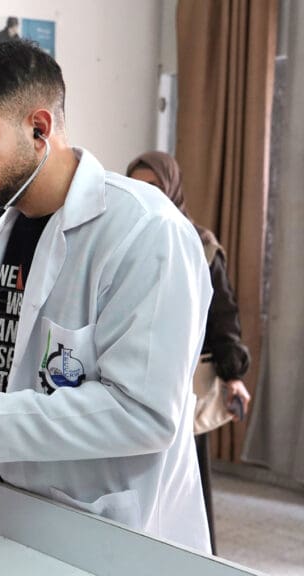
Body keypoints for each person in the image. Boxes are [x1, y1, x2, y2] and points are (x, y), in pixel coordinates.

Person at [0, 40, 213, 552]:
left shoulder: (146, 232)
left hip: (108, 527)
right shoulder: (3, 227)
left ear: (39, 128)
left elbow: (143, 413)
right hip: (3, 508)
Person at [127, 149, 252, 554]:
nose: (146, 196)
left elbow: (223, 318)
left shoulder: (201, 246)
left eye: (155, 187)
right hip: (128, 379)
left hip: (181, 387)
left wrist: (233, 377)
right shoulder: (121, 236)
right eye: (138, 186)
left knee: (185, 488)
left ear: (172, 189)